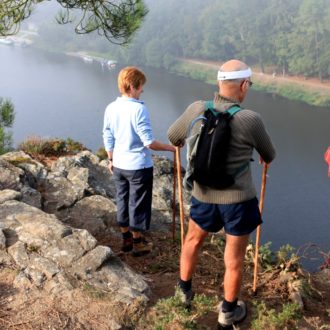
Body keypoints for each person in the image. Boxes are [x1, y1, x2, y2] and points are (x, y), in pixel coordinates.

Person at [167, 59, 276, 328]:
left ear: (218, 82)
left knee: (192, 241)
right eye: (248, 84)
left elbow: (172, 136)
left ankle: (184, 292)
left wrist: (188, 139)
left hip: (203, 195)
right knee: (234, 258)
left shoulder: (196, 109)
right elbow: (269, 154)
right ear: (243, 84)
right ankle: (228, 312)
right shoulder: (250, 119)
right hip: (238, 201)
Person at [103, 66, 175, 257]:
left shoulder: (111, 107)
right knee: (138, 203)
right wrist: (170, 148)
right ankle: (137, 243)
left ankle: (125, 238)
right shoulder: (139, 109)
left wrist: (110, 158)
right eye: (141, 85)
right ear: (133, 86)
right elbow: (149, 142)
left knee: (122, 200)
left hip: (118, 164)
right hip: (138, 166)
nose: (143, 89)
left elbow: (108, 135)